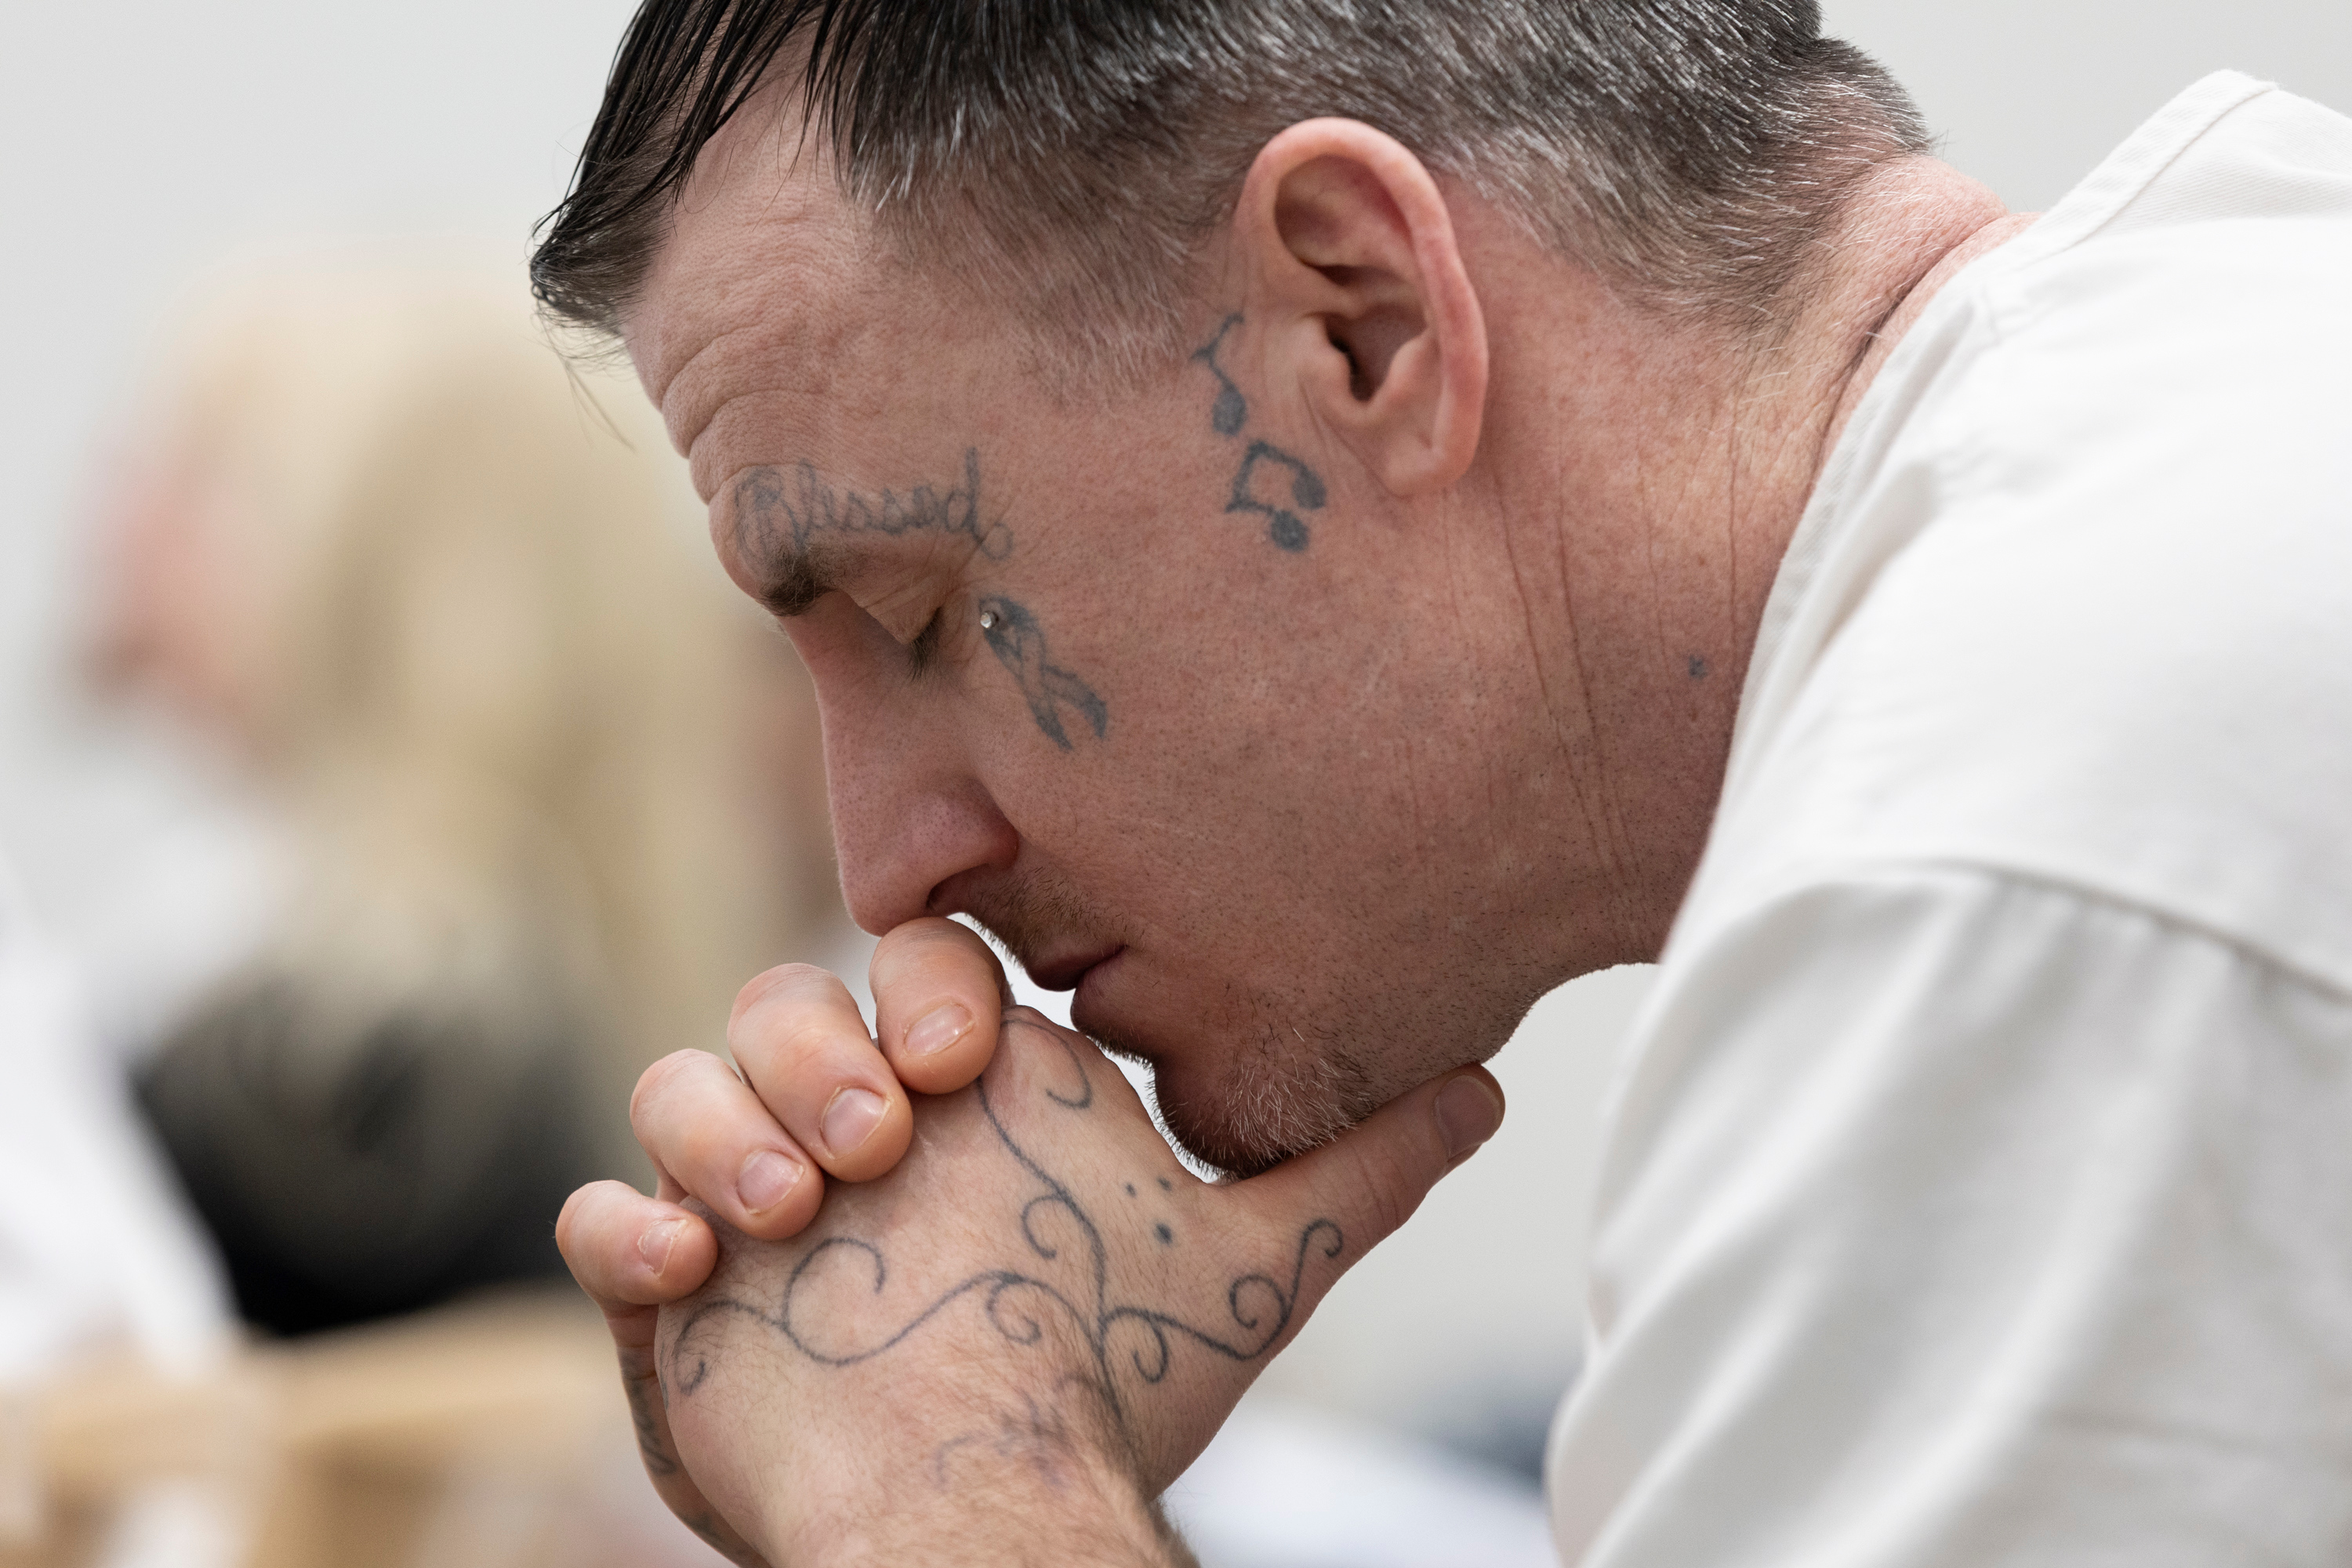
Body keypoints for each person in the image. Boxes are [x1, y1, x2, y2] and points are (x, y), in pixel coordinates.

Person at [528, 2, 2352, 1563]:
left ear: (1365, 321)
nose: (884, 869)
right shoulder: (2223, 404)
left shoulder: (2006, 885)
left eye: (918, 615)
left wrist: (940, 1468)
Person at [89, 266, 840, 1336]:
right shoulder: (728, 994)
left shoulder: (317, 1082)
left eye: (222, 490)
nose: (133, 540)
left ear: (363, 570)